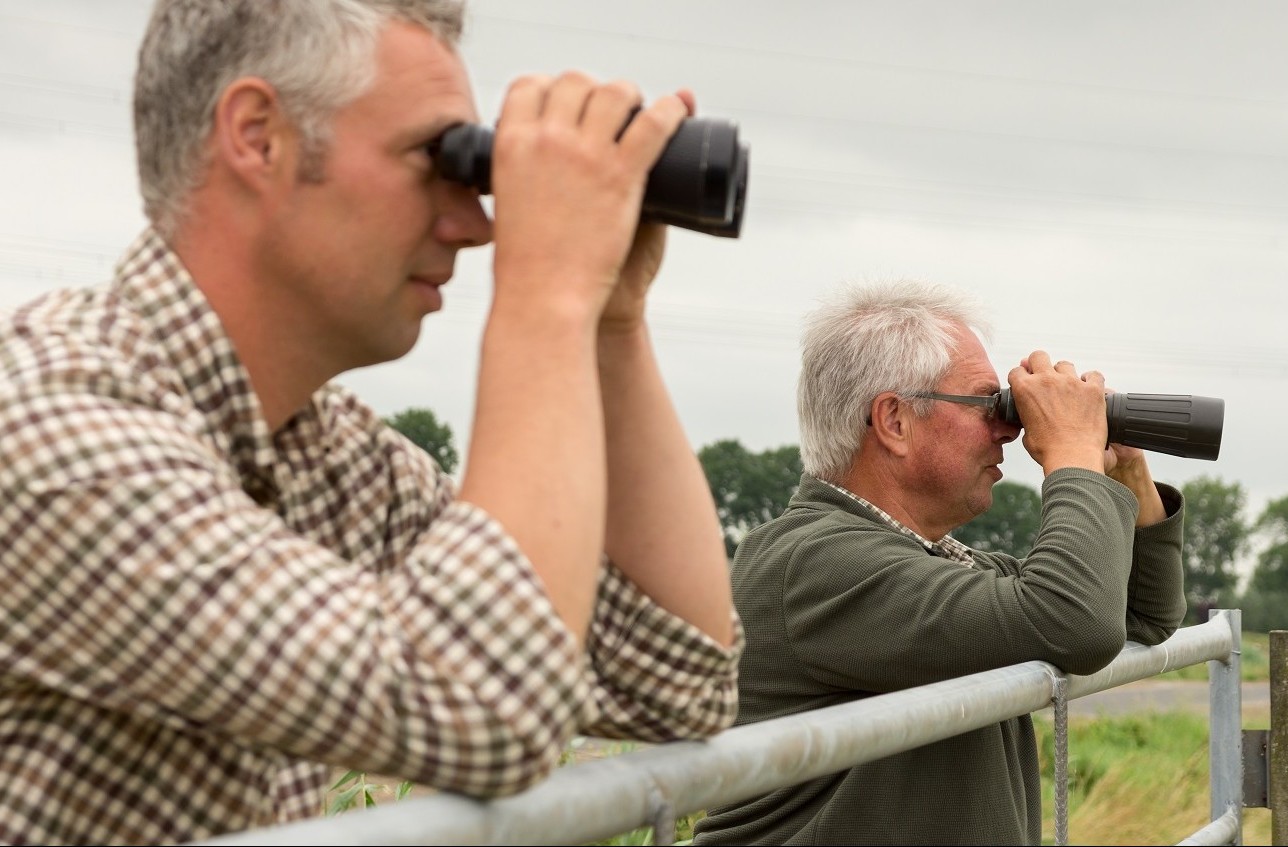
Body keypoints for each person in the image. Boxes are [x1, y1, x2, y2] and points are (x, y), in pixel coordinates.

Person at [0, 1, 743, 844]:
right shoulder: (49, 426)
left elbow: (673, 678)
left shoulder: (331, 458)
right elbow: (482, 706)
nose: (475, 225)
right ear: (257, 135)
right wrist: (549, 291)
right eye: (434, 160)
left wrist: (612, 317)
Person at [693, 279, 1186, 846]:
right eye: (987, 403)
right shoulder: (816, 563)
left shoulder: (915, 560)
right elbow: (1075, 623)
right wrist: (1072, 451)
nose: (1008, 428)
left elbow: (1138, 615)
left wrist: (1122, 469)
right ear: (895, 421)